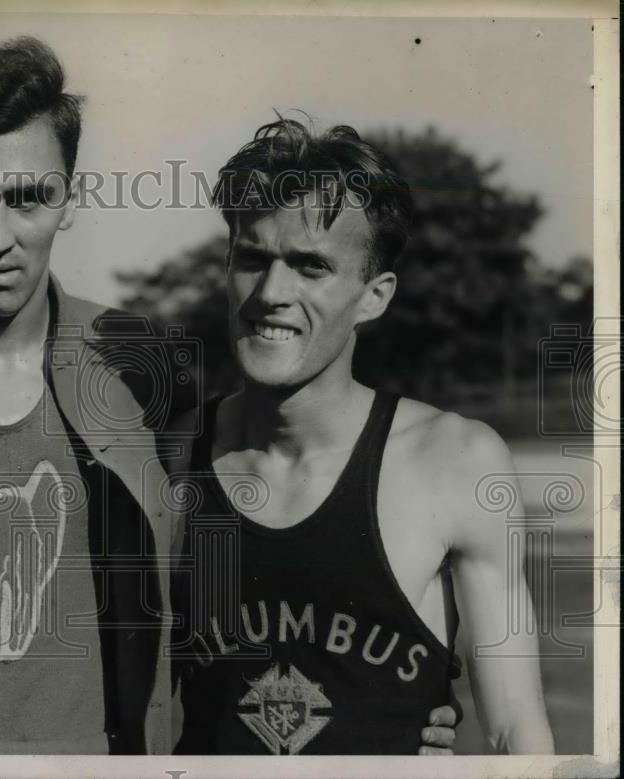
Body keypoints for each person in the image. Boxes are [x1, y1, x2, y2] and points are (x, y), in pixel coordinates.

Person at [0, 36, 457, 756]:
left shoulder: (145, 371)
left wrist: (398, 716)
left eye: (29, 198)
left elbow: (250, 593)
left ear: (70, 200)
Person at [166, 118, 555, 755]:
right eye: (253, 259)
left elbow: (517, 729)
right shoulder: (169, 458)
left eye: (310, 267)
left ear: (373, 297)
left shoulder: (456, 461)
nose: (271, 294)